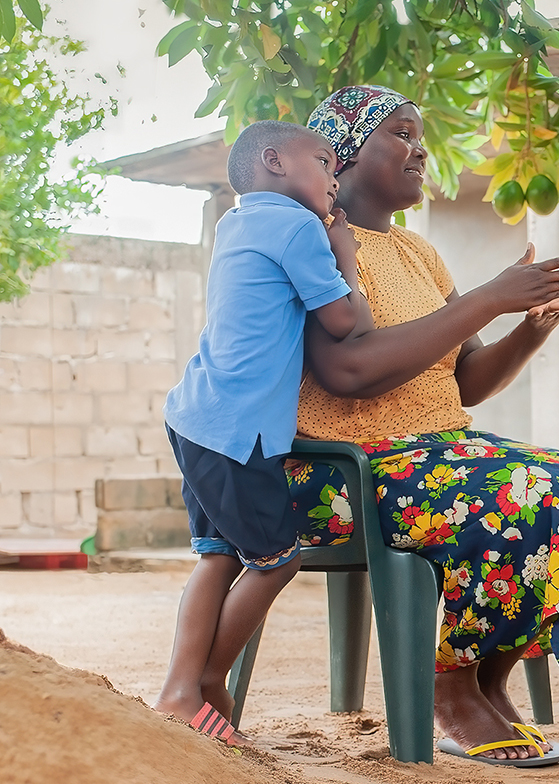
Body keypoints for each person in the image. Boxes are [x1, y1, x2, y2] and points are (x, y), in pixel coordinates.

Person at [288, 85, 559, 765]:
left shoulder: (418, 253)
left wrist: (529, 328)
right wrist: (490, 297)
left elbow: (464, 380)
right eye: (402, 134)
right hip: (343, 466)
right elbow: (349, 372)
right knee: (519, 492)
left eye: (420, 135)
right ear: (344, 151)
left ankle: (486, 679)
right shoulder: (316, 241)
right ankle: (451, 687)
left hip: (435, 452)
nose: (421, 149)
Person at [154, 120, 373, 744]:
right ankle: (205, 681)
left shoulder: (238, 222)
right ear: (275, 161)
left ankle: (179, 686)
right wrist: (347, 257)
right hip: (238, 432)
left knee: (218, 556)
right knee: (278, 561)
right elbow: (340, 321)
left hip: (197, 416)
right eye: (326, 161)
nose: (335, 176)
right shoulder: (299, 226)